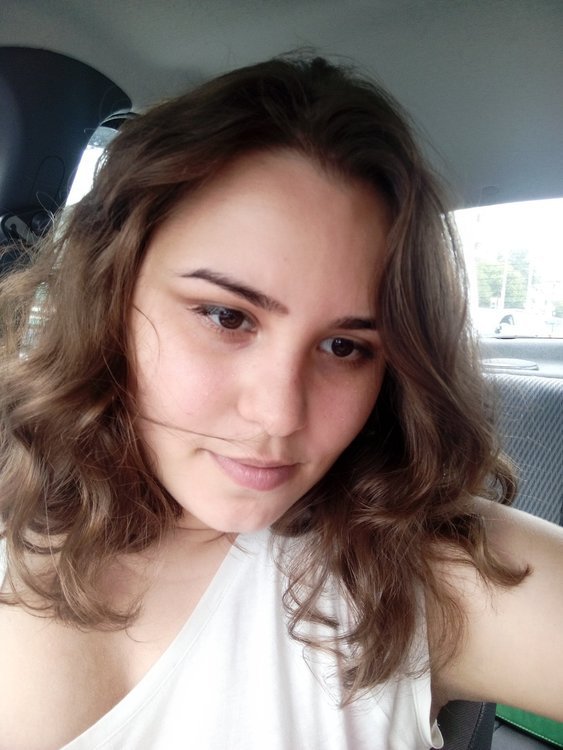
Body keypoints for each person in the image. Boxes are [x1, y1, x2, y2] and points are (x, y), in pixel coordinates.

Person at [0, 54, 561, 750]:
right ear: (111, 295)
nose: (279, 416)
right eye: (226, 316)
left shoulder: (412, 571)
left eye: (345, 347)